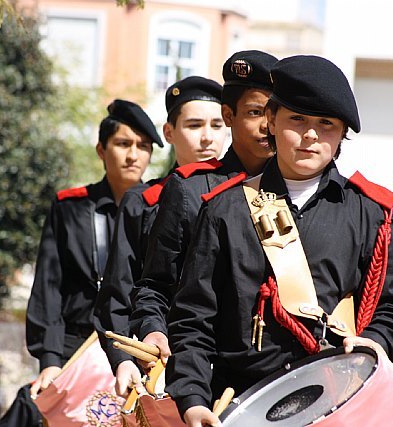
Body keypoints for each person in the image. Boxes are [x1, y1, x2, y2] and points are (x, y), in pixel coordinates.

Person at [165, 55, 393, 426]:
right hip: (238, 403)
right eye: (297, 119)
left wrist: (373, 341)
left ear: (342, 133)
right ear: (272, 120)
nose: (311, 135)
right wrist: (193, 399)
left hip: (336, 404)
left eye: (326, 124)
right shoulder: (224, 208)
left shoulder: (369, 213)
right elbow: (194, 318)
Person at [128, 50, 279, 368]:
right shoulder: (190, 188)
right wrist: (152, 330)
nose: (267, 126)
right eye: (254, 113)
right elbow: (155, 283)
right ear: (230, 115)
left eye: (274, 113)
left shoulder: (298, 188)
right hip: (208, 367)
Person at [93, 76, 227, 396]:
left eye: (217, 125)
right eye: (194, 125)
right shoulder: (144, 200)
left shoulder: (246, 195)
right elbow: (119, 290)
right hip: (159, 360)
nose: (207, 138)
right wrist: (123, 358)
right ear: (169, 133)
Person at [24, 99, 162, 400]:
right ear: (101, 150)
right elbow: (49, 287)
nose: (133, 155)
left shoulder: (162, 207)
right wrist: (49, 359)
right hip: (76, 347)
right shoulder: (70, 207)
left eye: (143, 146)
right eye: (123, 144)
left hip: (138, 349)